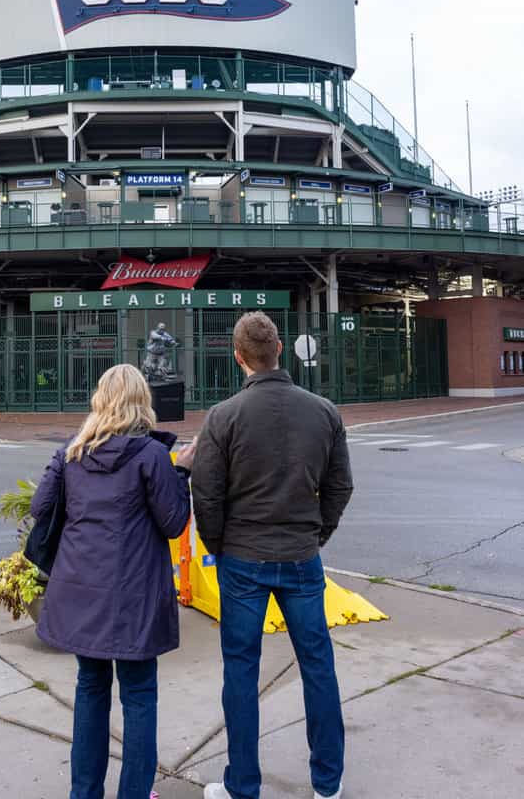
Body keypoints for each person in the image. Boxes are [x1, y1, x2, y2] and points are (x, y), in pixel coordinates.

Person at [192, 312, 353, 799]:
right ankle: (328, 782)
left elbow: (206, 494)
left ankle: (243, 784)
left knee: (241, 670)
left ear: (238, 357)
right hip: (301, 555)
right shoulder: (324, 411)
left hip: (243, 558)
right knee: (317, 665)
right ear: (278, 349)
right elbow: (340, 486)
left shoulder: (223, 417)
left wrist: (219, 547)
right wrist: (317, 534)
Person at [30, 363, 196, 799]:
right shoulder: (152, 456)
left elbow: (40, 508)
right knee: (139, 695)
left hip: (79, 588)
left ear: (100, 400)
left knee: (90, 687)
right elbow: (174, 523)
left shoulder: (72, 452)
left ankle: (84, 793)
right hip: (133, 595)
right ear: (143, 402)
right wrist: (181, 472)